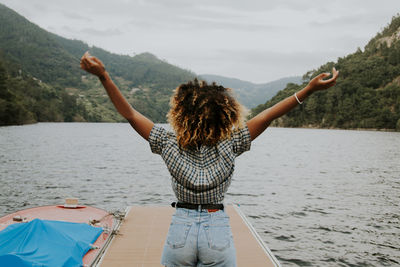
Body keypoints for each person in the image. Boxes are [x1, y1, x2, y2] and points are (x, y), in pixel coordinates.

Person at [80, 51, 339, 267]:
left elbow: (131, 114)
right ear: (225, 115)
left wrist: (104, 76)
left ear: (181, 113)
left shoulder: (168, 143)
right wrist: (308, 90)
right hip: (216, 227)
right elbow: (268, 115)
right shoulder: (231, 143)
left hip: (182, 225)